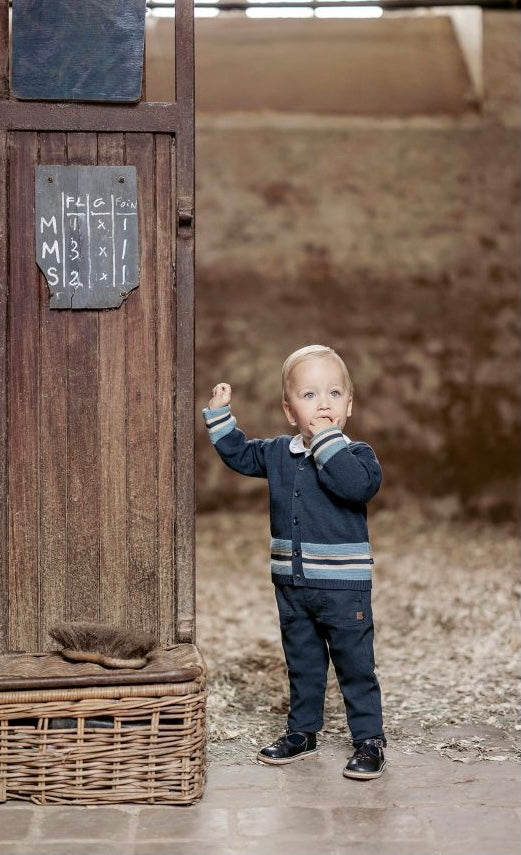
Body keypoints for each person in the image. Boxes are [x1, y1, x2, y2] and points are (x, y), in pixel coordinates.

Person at [203, 344, 386, 779]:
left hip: (344, 589)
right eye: (309, 396)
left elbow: (353, 488)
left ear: (350, 404)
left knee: (355, 665)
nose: (323, 404)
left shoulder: (358, 457)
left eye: (334, 393)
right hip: (293, 585)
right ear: (289, 412)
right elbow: (239, 454)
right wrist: (219, 415)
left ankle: (369, 740)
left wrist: (325, 440)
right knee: (302, 663)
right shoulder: (279, 454)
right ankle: (302, 732)